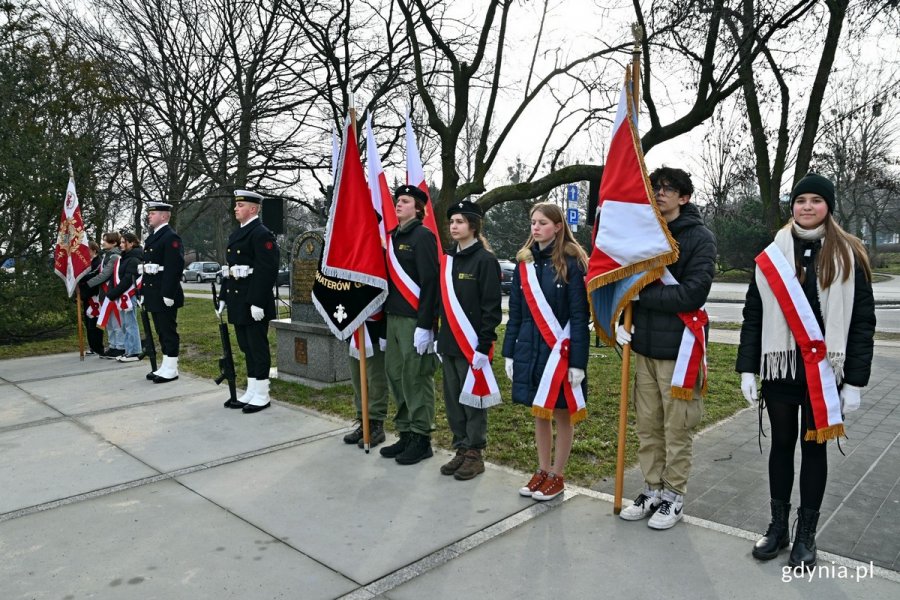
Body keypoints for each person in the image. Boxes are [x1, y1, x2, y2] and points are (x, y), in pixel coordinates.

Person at [737, 173, 875, 568]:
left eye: (816, 200)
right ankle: (778, 528)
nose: (807, 207)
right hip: (781, 370)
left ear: (828, 206)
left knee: (814, 450)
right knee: (781, 446)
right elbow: (754, 314)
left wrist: (855, 381)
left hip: (824, 375)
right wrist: (748, 368)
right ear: (792, 206)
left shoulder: (850, 253)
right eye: (801, 200)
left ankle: (806, 535)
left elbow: (862, 321)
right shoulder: (773, 255)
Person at [617, 166, 717, 529]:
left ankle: (674, 495)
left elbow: (693, 293)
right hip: (643, 346)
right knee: (648, 427)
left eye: (668, 189)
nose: (659, 193)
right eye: (655, 187)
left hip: (679, 350)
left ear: (684, 197)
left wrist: (645, 294)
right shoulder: (645, 235)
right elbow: (623, 282)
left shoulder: (700, 238)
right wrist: (620, 313)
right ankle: (652, 488)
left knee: (677, 428)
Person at [502, 202, 589, 499]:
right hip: (530, 347)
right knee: (539, 411)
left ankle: (557, 474)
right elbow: (516, 313)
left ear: (558, 226)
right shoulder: (524, 264)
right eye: (533, 222)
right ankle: (541, 469)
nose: (535, 227)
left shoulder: (572, 263)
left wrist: (578, 362)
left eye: (542, 222)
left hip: (560, 352)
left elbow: (579, 316)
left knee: (562, 413)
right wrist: (509, 352)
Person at [436, 200, 503, 481]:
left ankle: (475, 451)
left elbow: (491, 308)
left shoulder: (485, 261)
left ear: (473, 227)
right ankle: (461, 446)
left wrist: (483, 344)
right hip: (449, 342)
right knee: (453, 399)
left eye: (460, 222)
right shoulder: (448, 259)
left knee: (472, 399)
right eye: (452, 222)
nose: (454, 226)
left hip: (472, 345)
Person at [380, 184, 440, 465]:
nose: (398, 205)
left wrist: (425, 325)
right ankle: (405, 431)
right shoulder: (392, 238)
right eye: (397, 201)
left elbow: (430, 283)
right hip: (393, 317)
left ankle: (421, 436)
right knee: (395, 375)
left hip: (413, 319)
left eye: (404, 201)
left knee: (416, 377)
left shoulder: (423, 236)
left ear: (418, 207)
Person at [218, 190, 279, 413]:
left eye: (240, 205)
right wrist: (223, 297)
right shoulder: (239, 234)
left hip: (253, 300)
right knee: (246, 347)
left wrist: (257, 302)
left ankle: (262, 393)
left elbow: (267, 270)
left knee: (257, 346)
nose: (236, 208)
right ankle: (252, 389)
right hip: (237, 299)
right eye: (236, 205)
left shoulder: (261, 234)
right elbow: (231, 271)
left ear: (253, 209)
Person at [141, 201, 185, 383]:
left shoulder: (170, 237)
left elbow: (174, 268)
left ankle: (172, 368)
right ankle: (165, 365)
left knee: (168, 330)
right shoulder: (153, 237)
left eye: (153, 213)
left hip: (164, 291)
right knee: (160, 330)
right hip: (153, 291)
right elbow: (147, 268)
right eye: (149, 213)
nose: (149, 216)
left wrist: (168, 293)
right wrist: (143, 292)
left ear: (164, 216)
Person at [343, 316, 389, 448]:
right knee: (357, 378)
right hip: (354, 329)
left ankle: (376, 425)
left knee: (376, 379)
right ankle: (364, 422)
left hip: (374, 329)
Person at [105, 232, 144, 362]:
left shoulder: (134, 259)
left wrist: (113, 293)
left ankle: (134, 352)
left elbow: (128, 280)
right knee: (124, 325)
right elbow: (116, 277)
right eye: (120, 242)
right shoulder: (125, 257)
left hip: (129, 296)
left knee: (130, 324)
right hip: (121, 296)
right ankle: (128, 350)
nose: (121, 245)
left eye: (123, 242)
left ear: (131, 243)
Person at [86, 231, 125, 359]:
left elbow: (104, 275)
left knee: (116, 323)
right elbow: (97, 271)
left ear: (114, 243)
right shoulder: (106, 256)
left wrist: (87, 284)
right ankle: (112, 346)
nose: (102, 242)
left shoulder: (115, 256)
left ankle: (120, 347)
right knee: (109, 323)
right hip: (105, 294)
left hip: (112, 293)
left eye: (106, 240)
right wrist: (82, 280)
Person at [79, 240, 105, 356]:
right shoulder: (85, 262)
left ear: (94, 250)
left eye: (87, 250)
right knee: (88, 322)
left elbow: (92, 276)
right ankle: (92, 346)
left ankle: (98, 347)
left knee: (95, 323)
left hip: (94, 296)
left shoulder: (98, 262)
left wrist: (80, 278)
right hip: (86, 296)